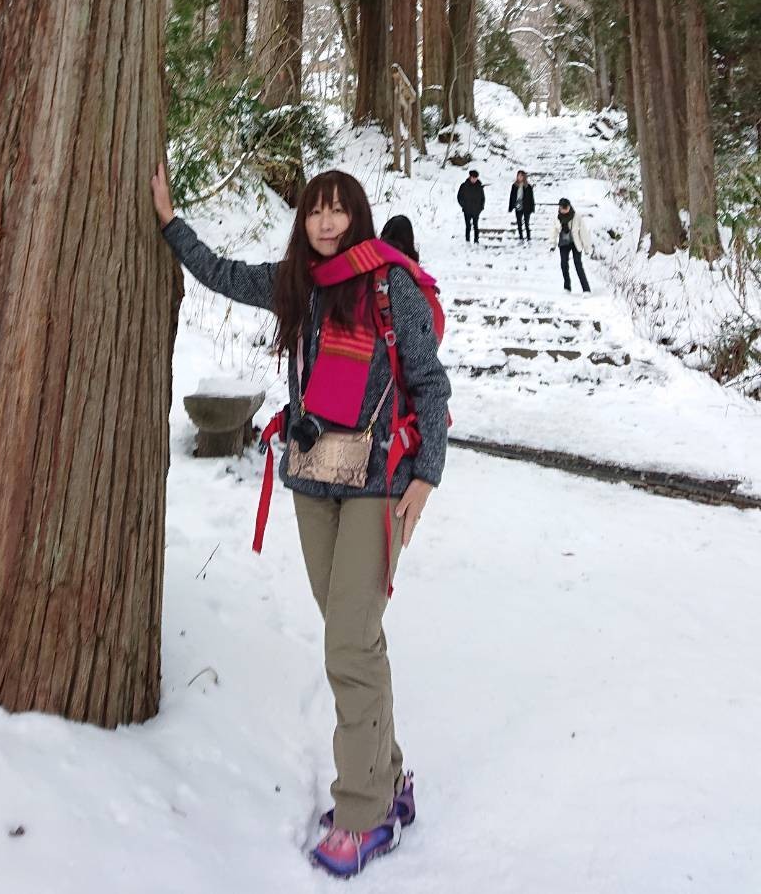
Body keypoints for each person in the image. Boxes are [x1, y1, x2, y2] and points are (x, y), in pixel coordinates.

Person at [151, 164, 450, 879]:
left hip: (380, 483)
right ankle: (389, 778)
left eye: (338, 210)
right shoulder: (297, 285)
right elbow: (221, 274)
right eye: (315, 210)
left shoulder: (391, 286)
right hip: (314, 481)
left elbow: (431, 383)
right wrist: (169, 222)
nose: (326, 222)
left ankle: (365, 812)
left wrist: (427, 477)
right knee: (355, 638)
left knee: (348, 642)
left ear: (358, 217)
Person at [549, 197, 592, 292]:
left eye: (566, 208)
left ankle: (586, 289)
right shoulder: (557, 217)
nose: (564, 210)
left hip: (576, 243)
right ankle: (567, 287)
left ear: (569, 207)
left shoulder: (577, 216)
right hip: (563, 243)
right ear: (559, 208)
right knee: (563, 264)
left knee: (578, 265)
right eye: (562, 208)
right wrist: (552, 244)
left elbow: (583, 232)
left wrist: (587, 247)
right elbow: (554, 231)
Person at [456, 169, 485, 243]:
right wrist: (464, 205)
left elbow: (483, 198)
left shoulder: (479, 186)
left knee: (476, 226)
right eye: (473, 178)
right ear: (470, 177)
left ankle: (476, 240)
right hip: (467, 210)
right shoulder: (464, 186)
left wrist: (481, 207)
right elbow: (459, 197)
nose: (474, 179)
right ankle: (467, 240)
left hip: (476, 210)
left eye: (476, 178)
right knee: (468, 226)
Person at [508, 170, 535, 243]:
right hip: (518, 205)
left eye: (521, 176)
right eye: (518, 176)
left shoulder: (528, 186)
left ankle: (528, 237)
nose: (519, 177)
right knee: (519, 222)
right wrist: (511, 207)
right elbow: (512, 197)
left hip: (526, 206)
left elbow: (531, 198)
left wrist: (532, 208)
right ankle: (521, 237)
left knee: (526, 223)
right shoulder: (514, 186)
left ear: (524, 177)